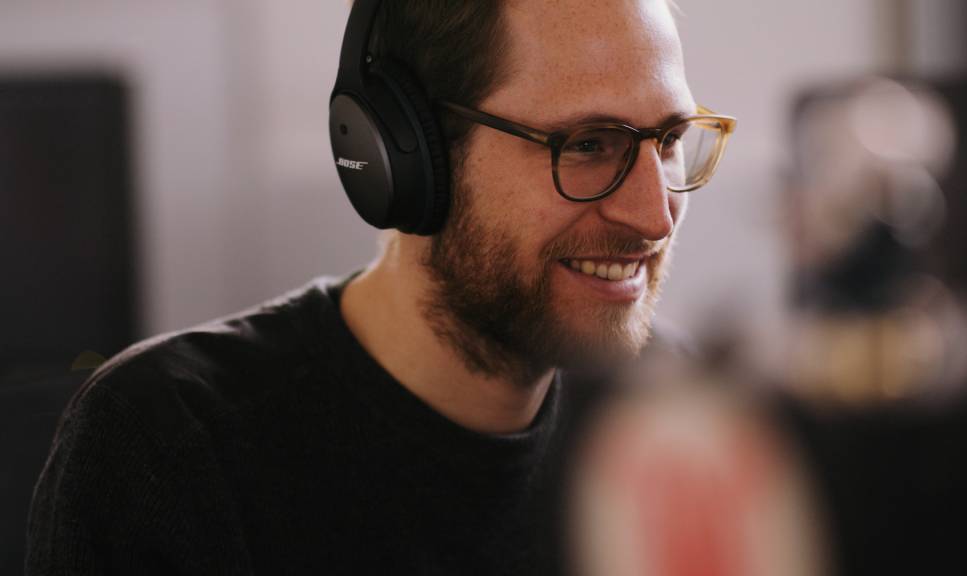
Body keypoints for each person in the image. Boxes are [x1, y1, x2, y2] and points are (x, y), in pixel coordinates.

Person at [26, 0, 734, 573]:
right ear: (408, 155)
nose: (654, 215)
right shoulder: (167, 445)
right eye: (586, 145)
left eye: (670, 140)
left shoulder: (670, 417)